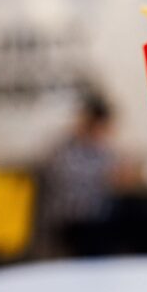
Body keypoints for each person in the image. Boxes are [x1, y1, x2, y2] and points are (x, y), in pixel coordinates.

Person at [41, 91, 119, 257]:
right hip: (73, 220)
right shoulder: (65, 147)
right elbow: (65, 178)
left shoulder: (100, 148)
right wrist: (107, 176)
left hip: (99, 217)